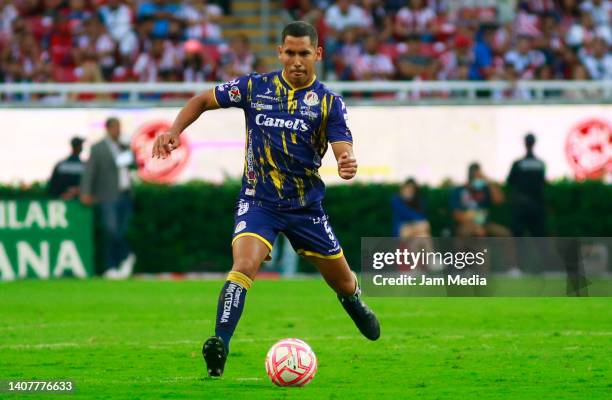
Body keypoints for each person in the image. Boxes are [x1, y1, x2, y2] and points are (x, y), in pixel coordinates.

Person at [151, 20, 380, 378]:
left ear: (317, 54)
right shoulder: (254, 88)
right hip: (259, 202)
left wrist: (346, 161)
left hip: (306, 209)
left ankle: (353, 300)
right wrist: (173, 130)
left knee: (344, 281)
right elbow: (201, 100)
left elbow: (342, 147)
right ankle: (220, 345)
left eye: (304, 53)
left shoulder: (329, 103)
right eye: (289, 53)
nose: (297, 61)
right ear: (280, 52)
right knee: (243, 267)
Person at [80, 117, 136, 279]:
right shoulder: (98, 148)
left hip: (125, 194)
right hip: (108, 194)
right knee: (111, 230)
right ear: (109, 129)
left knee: (122, 230)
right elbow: (90, 171)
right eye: (116, 128)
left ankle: (119, 264)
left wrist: (129, 152)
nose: (119, 131)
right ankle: (119, 260)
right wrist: (86, 192)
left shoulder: (123, 147)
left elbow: (134, 166)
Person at [450, 162, 510, 238]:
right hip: (467, 224)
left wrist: (488, 181)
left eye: (479, 176)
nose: (477, 179)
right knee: (466, 233)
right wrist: (476, 227)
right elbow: (456, 215)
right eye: (476, 176)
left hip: (486, 224)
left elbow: (499, 200)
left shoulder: (484, 190)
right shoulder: (459, 191)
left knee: (505, 233)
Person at [507, 133, 547, 236]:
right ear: (534, 143)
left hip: (520, 204)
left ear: (525, 143)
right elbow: (542, 183)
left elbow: (510, 181)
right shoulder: (540, 164)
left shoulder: (518, 163)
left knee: (518, 237)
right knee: (539, 237)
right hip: (537, 204)